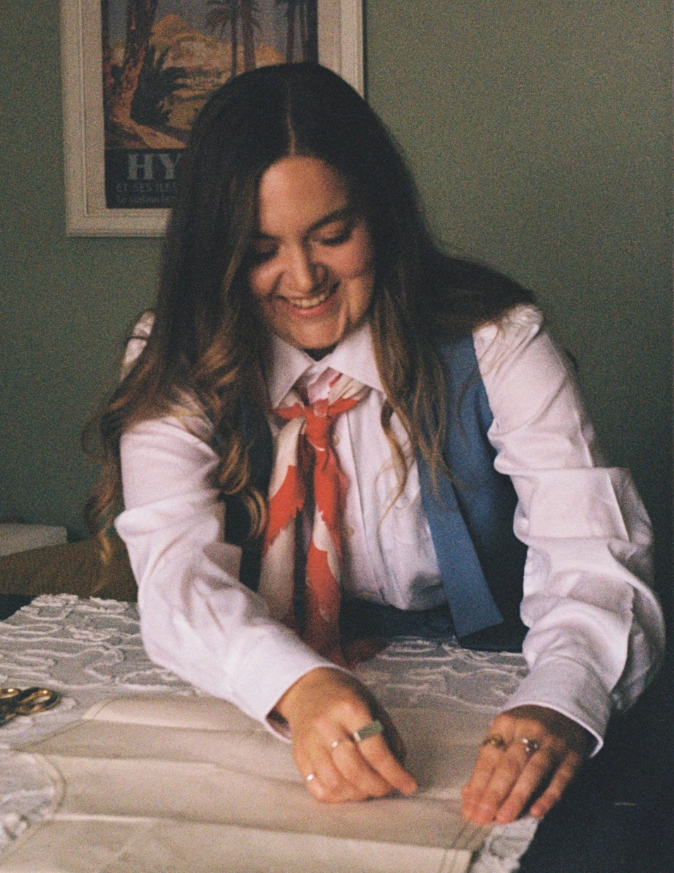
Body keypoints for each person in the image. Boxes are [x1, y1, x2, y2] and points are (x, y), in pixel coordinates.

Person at [86, 63, 664, 827]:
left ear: (381, 217)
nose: (303, 278)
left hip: (481, 703)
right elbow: (176, 574)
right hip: (260, 711)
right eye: (261, 249)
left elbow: (593, 549)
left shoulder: (499, 340)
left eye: (333, 234)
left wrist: (563, 696)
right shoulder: (173, 354)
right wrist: (298, 684)